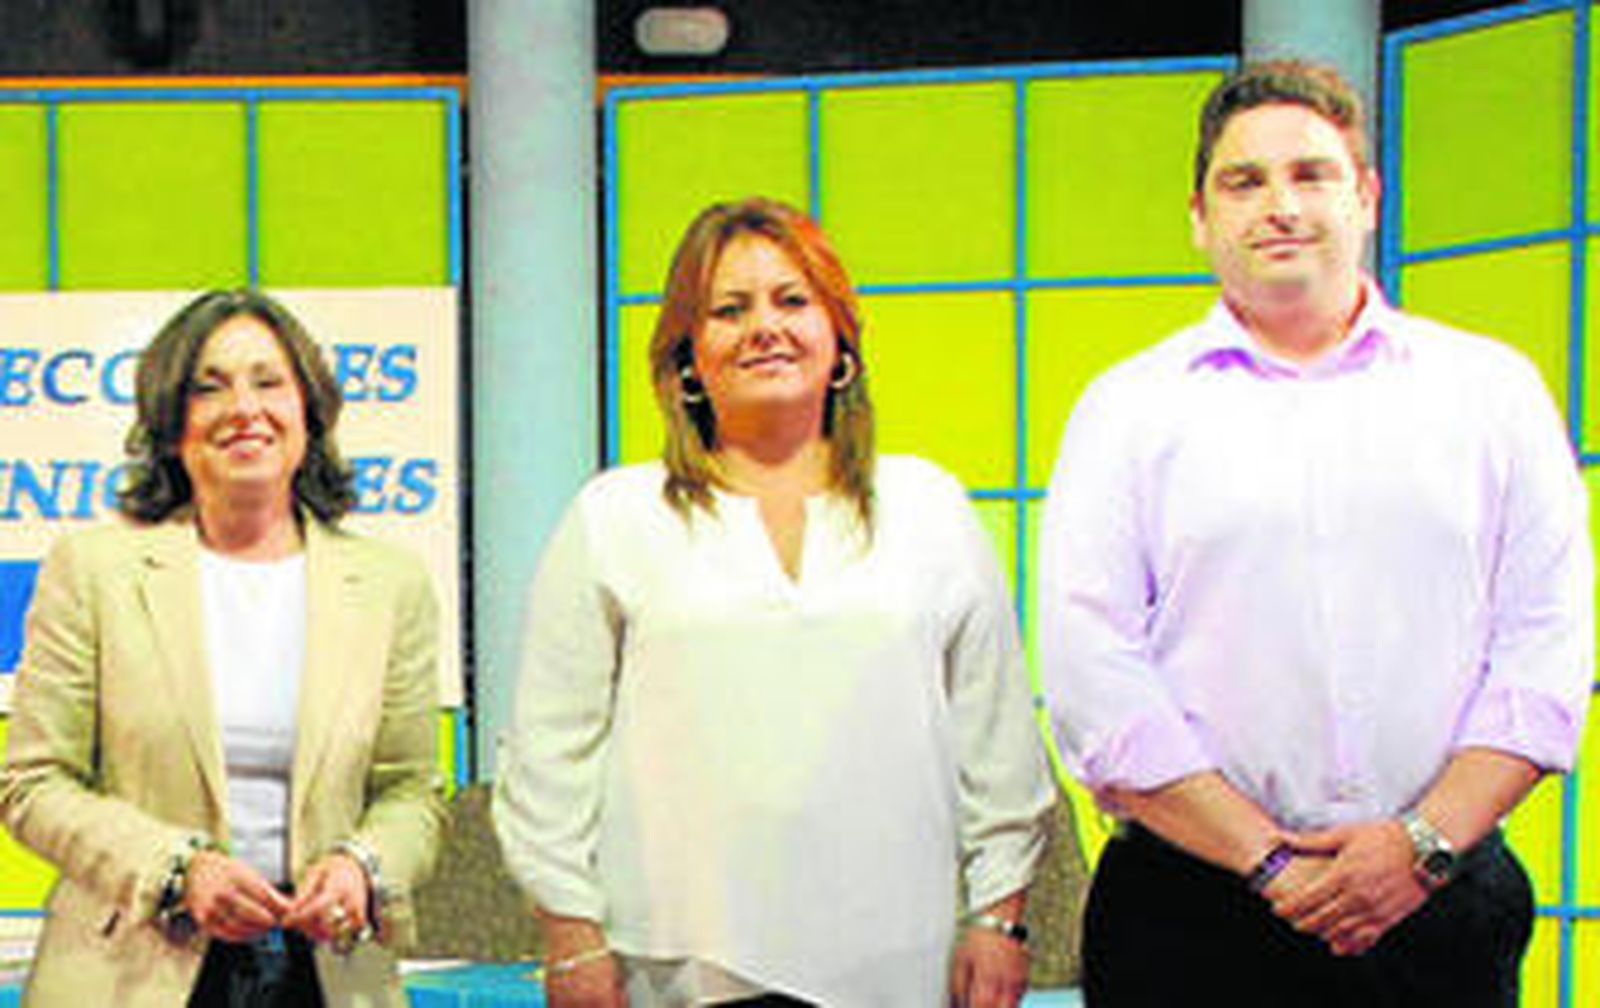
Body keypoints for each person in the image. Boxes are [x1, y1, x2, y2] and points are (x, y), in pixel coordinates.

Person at [1039, 60, 1593, 1007]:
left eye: (1311, 174)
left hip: (1438, 902)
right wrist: (1270, 867)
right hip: (1188, 916)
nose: (1279, 205)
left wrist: (1415, 848)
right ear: (1199, 216)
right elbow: (1094, 679)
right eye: (1243, 182)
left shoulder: (1491, 393)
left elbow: (1546, 650)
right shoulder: (1125, 411)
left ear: (1366, 195)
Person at [493, 196, 1054, 1008]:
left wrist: (999, 919)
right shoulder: (616, 515)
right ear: (688, 356)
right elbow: (549, 755)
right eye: (729, 309)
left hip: (903, 964)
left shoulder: (928, 505)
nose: (765, 327)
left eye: (793, 301)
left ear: (841, 342)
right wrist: (571, 939)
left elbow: (998, 744)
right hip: (678, 969)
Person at [1, 289, 445, 1007]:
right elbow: (33, 783)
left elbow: (410, 794)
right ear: (173, 425)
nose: (244, 407)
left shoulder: (391, 585)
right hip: (130, 973)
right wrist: (177, 869)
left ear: (310, 411)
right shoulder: (92, 572)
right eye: (210, 388)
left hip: (328, 974)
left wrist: (363, 865)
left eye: (269, 382)